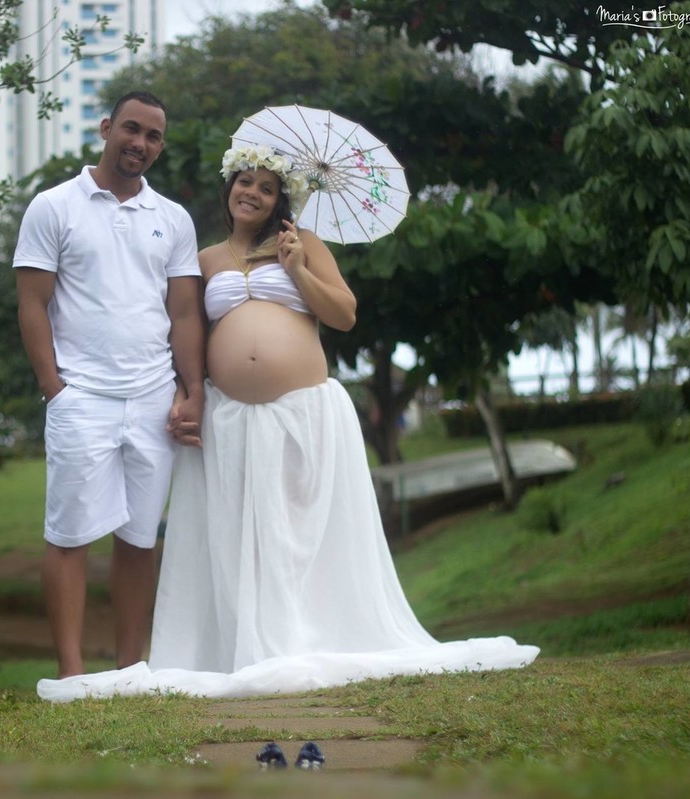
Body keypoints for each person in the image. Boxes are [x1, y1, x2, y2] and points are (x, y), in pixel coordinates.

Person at [37, 142, 538, 701]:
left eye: (266, 187)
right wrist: (186, 392)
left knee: (299, 535)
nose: (251, 192)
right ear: (229, 188)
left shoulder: (304, 244)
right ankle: (244, 646)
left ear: (281, 200)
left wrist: (297, 268)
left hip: (302, 414)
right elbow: (186, 330)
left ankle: (306, 639)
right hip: (230, 421)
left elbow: (343, 315)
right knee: (238, 538)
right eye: (244, 182)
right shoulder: (206, 259)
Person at [13, 91, 204, 680]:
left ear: (160, 146)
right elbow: (32, 303)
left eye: (153, 135)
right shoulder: (53, 206)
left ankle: (129, 670)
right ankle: (71, 675)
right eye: (131, 128)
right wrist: (55, 389)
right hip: (81, 398)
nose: (139, 143)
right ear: (106, 128)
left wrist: (192, 390)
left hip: (153, 398)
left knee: (139, 538)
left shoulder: (173, 218)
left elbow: (184, 314)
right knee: (69, 535)